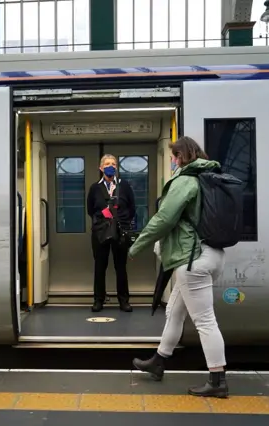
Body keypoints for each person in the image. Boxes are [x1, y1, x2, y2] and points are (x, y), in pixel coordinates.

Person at [128, 136, 229, 398]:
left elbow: (165, 218)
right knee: (174, 310)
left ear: (181, 156)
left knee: (205, 321)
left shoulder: (186, 180)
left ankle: (217, 381)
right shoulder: (209, 178)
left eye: (174, 156)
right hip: (210, 254)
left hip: (193, 259)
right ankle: (159, 362)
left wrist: (136, 246)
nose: (172, 161)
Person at [87, 154, 136, 313]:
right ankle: (98, 300)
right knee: (100, 266)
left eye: (114, 164)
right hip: (101, 233)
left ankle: (124, 301)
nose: (111, 167)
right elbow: (90, 210)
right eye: (107, 164)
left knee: (121, 267)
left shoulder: (124, 186)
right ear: (101, 168)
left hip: (120, 232)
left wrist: (122, 222)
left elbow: (132, 208)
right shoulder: (95, 188)